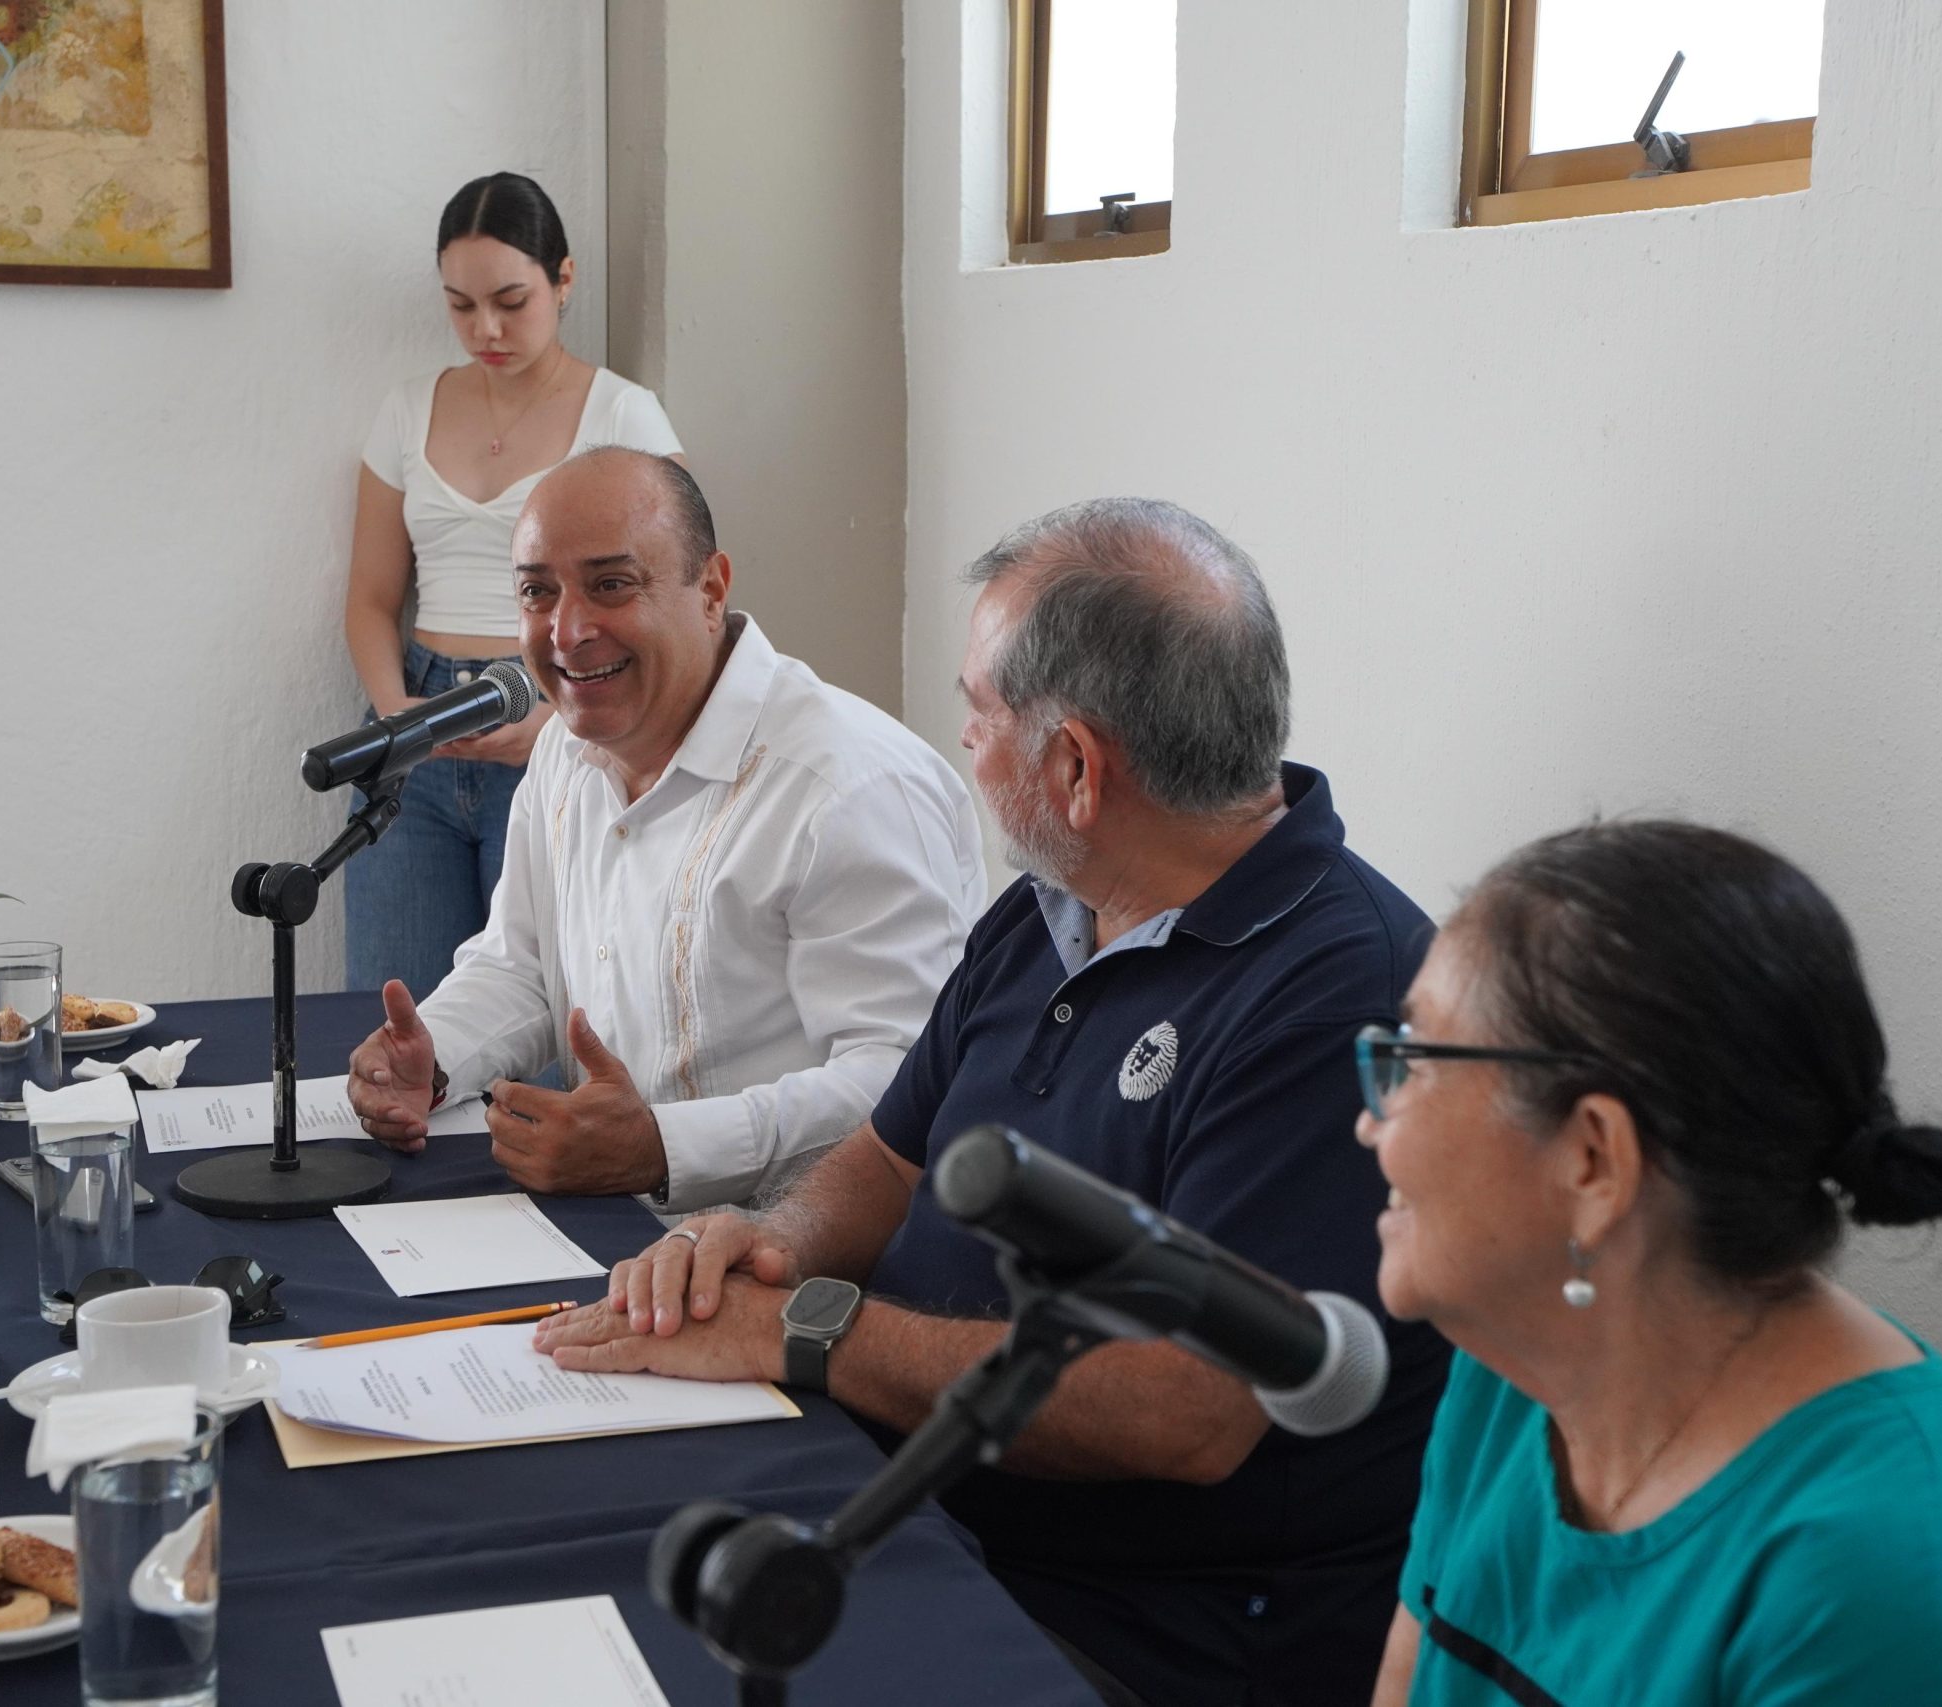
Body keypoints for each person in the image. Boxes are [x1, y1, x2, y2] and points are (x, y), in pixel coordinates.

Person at [534, 498, 1452, 1707]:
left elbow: (1190, 1410)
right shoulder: (1049, 906)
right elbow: (893, 1157)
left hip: (1134, 1629)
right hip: (924, 1495)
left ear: (1074, 767)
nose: (959, 742)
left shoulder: (1343, 994)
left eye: (976, 712)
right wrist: (770, 1239)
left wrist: (805, 1330)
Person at [1356, 821, 1942, 1706]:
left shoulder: (1890, 1586)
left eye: (1413, 1061)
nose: (1371, 1120)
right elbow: (1408, 1680)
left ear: (1594, 1160)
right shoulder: (1517, 1363)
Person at [346, 447, 987, 1212]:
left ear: (711, 590)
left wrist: (664, 1146)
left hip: (798, 1268)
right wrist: (435, 1054)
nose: (568, 629)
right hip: (612, 1233)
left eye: (612, 585)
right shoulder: (565, 748)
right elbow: (522, 964)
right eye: (537, 592)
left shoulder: (849, 786)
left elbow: (907, 1080)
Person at [343, 171, 685, 997]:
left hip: (564, 713)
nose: (485, 328)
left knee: (547, 1013)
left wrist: (558, 721)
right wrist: (397, 720)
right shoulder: (405, 409)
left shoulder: (623, 416)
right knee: (398, 1013)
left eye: (511, 299)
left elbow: (674, 604)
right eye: (460, 305)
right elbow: (370, 599)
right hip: (417, 721)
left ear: (563, 280)